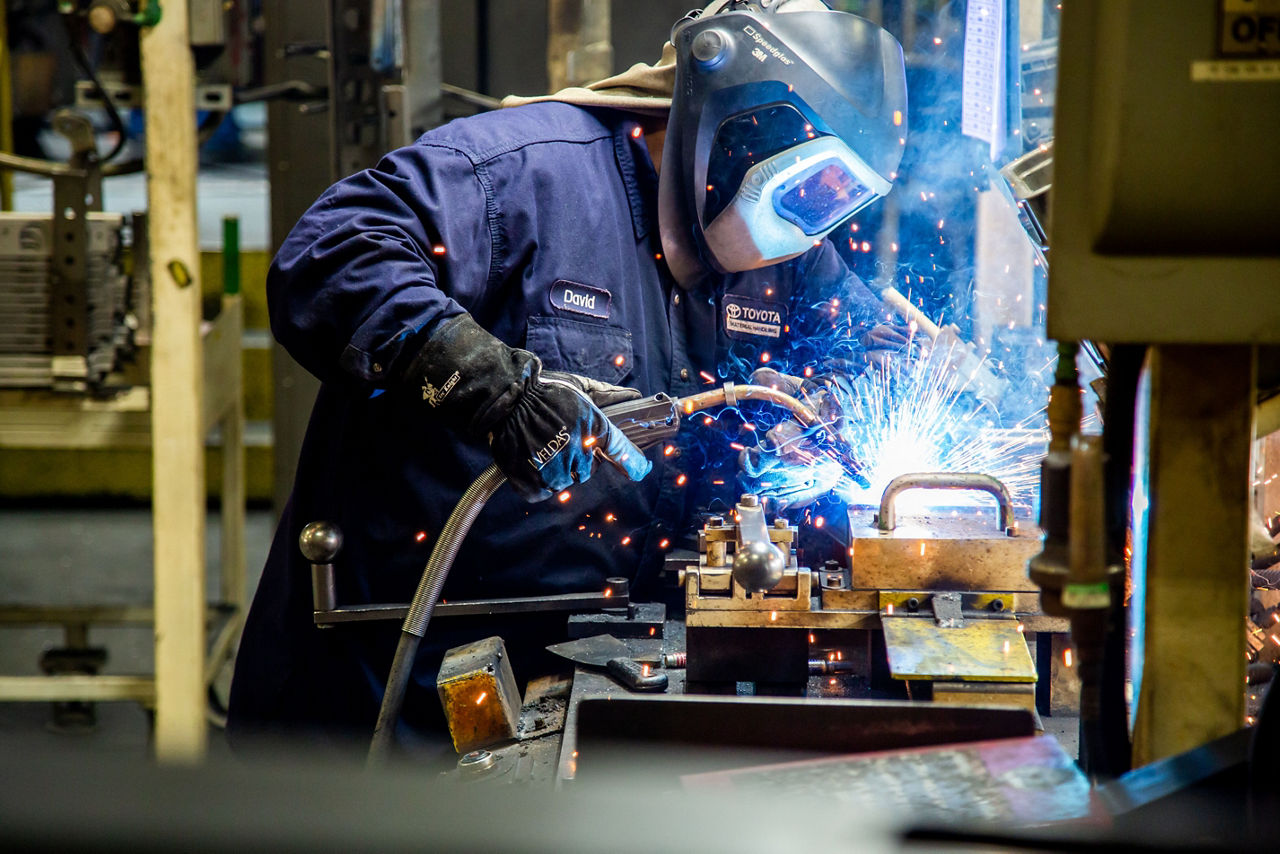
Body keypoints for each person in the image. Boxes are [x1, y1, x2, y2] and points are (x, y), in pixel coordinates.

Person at [227, 0, 908, 752]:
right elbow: (333, 254)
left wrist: (839, 404)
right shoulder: (522, 175)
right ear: (734, 129)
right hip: (394, 683)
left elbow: (867, 341)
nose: (814, 224)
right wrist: (486, 388)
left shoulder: (788, 250)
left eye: (840, 203)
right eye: (811, 189)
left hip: (589, 676)